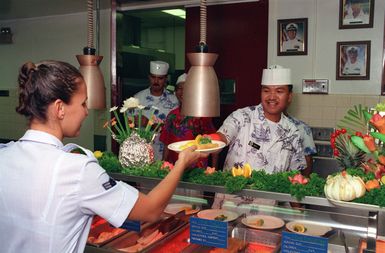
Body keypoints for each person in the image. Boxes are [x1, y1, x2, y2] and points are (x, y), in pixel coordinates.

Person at [0, 60, 206, 253]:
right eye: (82, 104)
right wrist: (181, 163)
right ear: (60, 108)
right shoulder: (78, 169)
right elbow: (151, 210)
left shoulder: (4, 156)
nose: (86, 112)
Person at [211, 65, 306, 210]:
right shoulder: (242, 116)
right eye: (266, 90)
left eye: (279, 91)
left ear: (289, 96)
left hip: (268, 212)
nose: (272, 96)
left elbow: (294, 177)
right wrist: (209, 142)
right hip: (230, 206)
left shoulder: (292, 132)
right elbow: (223, 136)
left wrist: (299, 212)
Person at [160, 73, 218, 168]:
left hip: (198, 169)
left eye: (187, 88)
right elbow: (167, 143)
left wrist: (213, 169)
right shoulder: (172, 115)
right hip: (175, 167)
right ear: (175, 91)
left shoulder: (202, 115)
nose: (183, 92)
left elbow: (214, 145)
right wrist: (163, 164)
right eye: (179, 88)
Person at [134, 60, 179, 160]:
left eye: (160, 78)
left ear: (166, 79)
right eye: (153, 77)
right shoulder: (137, 98)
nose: (156, 81)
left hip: (165, 153)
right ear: (149, 77)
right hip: (141, 153)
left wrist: (149, 124)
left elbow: (175, 130)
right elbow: (128, 125)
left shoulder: (173, 100)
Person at [285, 112, 317, 177]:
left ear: (289, 101)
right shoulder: (259, 124)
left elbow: (308, 159)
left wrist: (304, 181)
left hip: (290, 181)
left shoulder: (301, 127)